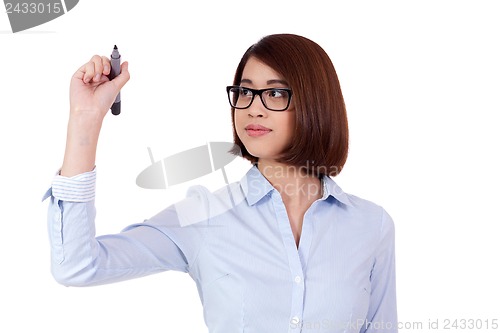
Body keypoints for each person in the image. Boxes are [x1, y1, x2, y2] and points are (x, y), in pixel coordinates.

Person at [43, 34, 398, 332]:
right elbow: (76, 265)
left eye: (275, 93)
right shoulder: (204, 216)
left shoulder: (371, 225)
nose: (253, 108)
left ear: (315, 104)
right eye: (245, 92)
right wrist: (85, 119)